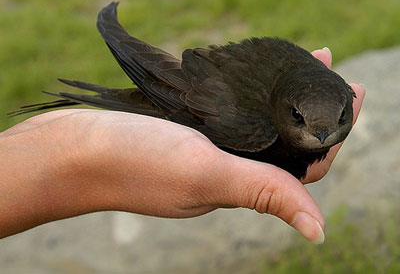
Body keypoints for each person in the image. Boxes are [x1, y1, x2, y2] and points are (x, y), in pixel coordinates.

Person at [0, 49, 365, 244]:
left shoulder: (325, 99)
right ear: (287, 112)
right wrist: (80, 149)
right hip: (207, 96)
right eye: (300, 122)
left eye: (338, 124)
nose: (322, 138)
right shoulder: (251, 124)